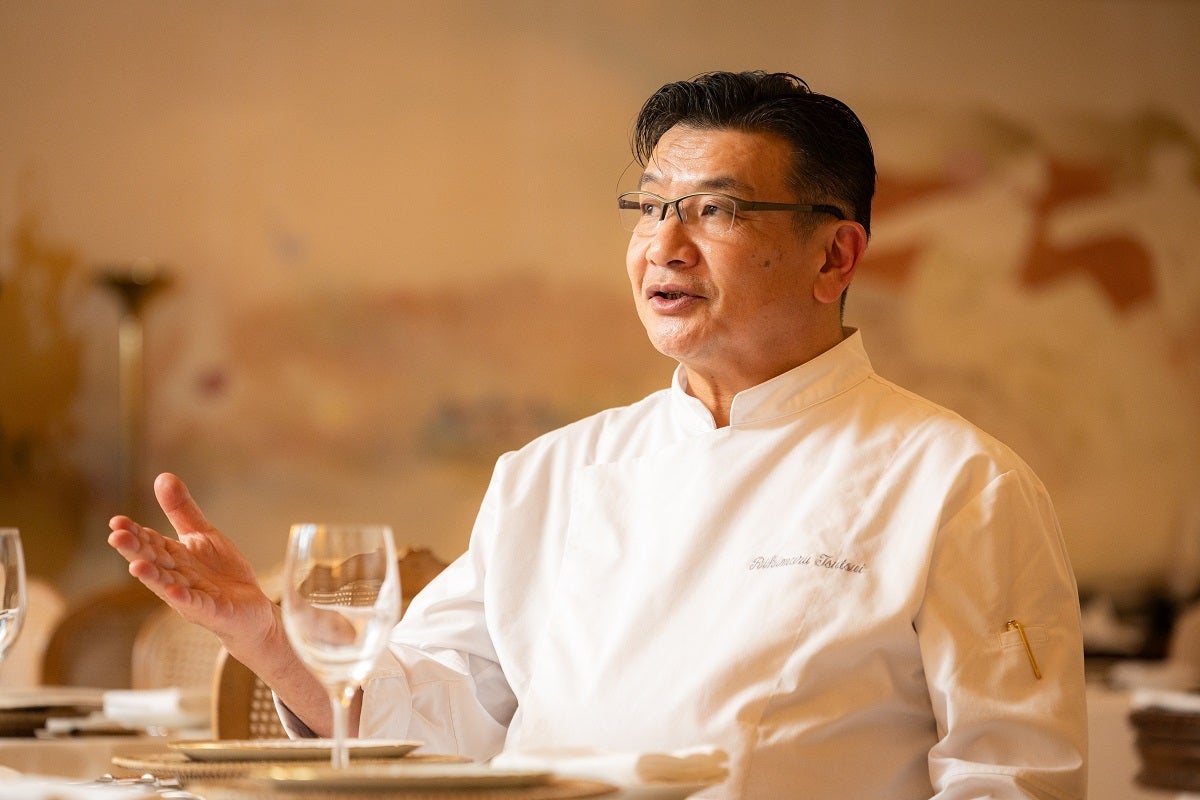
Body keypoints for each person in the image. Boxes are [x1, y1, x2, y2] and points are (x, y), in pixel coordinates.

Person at [108, 70, 1088, 799]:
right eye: (650, 208)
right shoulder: (550, 473)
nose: (665, 245)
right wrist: (268, 639)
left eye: (714, 210)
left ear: (835, 255)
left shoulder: (959, 483)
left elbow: (1012, 780)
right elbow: (427, 725)